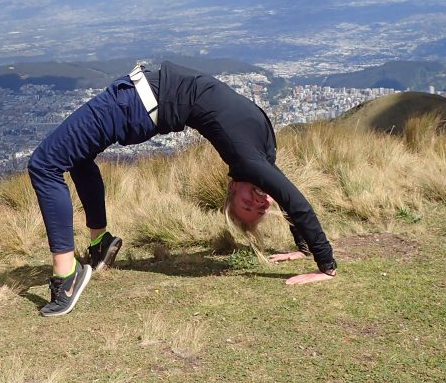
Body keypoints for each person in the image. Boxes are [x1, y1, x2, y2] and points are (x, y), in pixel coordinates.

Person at [27, 61, 337, 317]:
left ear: (232, 190)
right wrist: (304, 248)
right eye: (259, 207)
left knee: (44, 164)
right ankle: (100, 243)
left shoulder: (248, 162)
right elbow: (286, 197)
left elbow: (295, 201)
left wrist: (326, 267)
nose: (258, 202)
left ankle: (66, 277)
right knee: (78, 157)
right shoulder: (263, 156)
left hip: (133, 105)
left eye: (248, 208)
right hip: (139, 100)